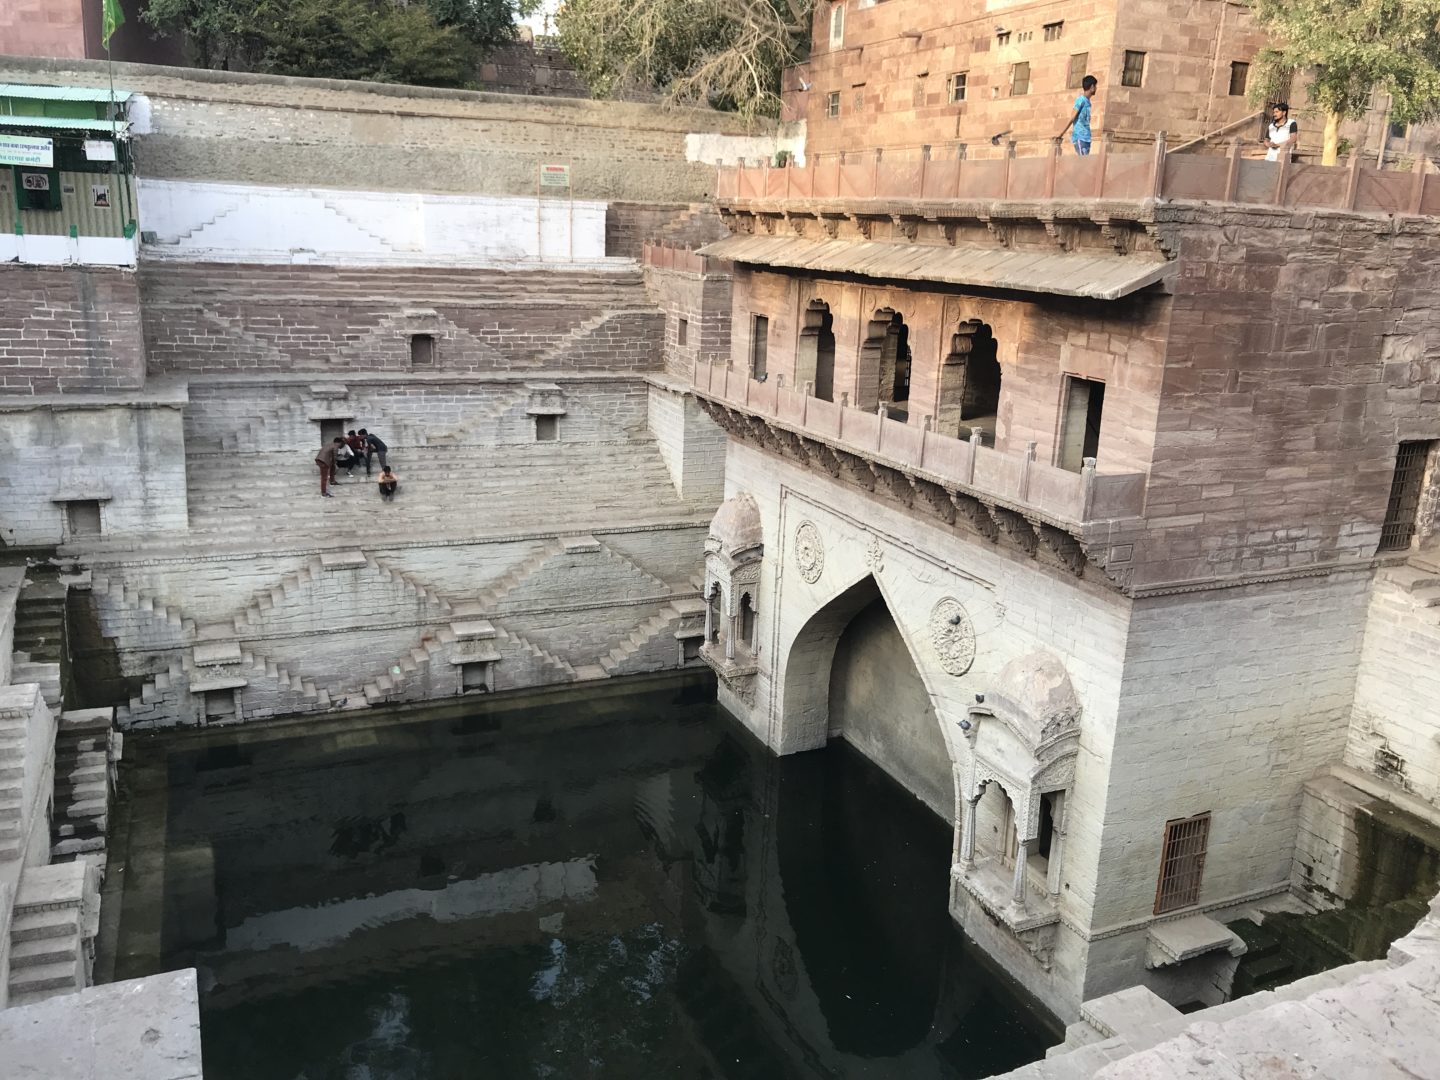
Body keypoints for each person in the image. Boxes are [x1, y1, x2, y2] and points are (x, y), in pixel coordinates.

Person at [1060, 75, 1098, 156]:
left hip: (1086, 138)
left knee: (1085, 164)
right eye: (1095, 86)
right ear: (1092, 87)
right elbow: (1072, 117)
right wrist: (1061, 133)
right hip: (1080, 137)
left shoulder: (1088, 102)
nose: (1096, 88)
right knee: (1083, 163)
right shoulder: (1081, 100)